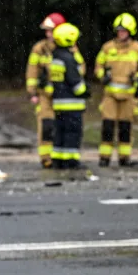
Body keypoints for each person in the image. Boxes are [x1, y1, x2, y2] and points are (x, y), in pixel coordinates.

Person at [95, 13, 138, 167]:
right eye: (119, 31)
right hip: (110, 95)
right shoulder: (107, 48)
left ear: (130, 32)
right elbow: (98, 66)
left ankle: (124, 157)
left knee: (125, 127)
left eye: (124, 31)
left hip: (129, 95)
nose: (121, 34)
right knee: (107, 126)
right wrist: (102, 76)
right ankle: (104, 157)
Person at [26, 12, 66, 168]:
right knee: (46, 126)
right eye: (47, 30)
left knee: (62, 126)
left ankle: (61, 157)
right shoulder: (39, 48)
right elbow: (32, 70)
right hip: (45, 95)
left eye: (51, 30)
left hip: (62, 96)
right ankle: (46, 158)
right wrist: (32, 92)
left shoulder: (68, 46)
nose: (48, 33)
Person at [49, 23, 88, 169]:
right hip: (72, 103)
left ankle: (58, 159)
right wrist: (86, 91)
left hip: (59, 102)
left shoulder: (56, 57)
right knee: (73, 132)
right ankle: (71, 161)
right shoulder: (69, 59)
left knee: (60, 132)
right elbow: (75, 83)